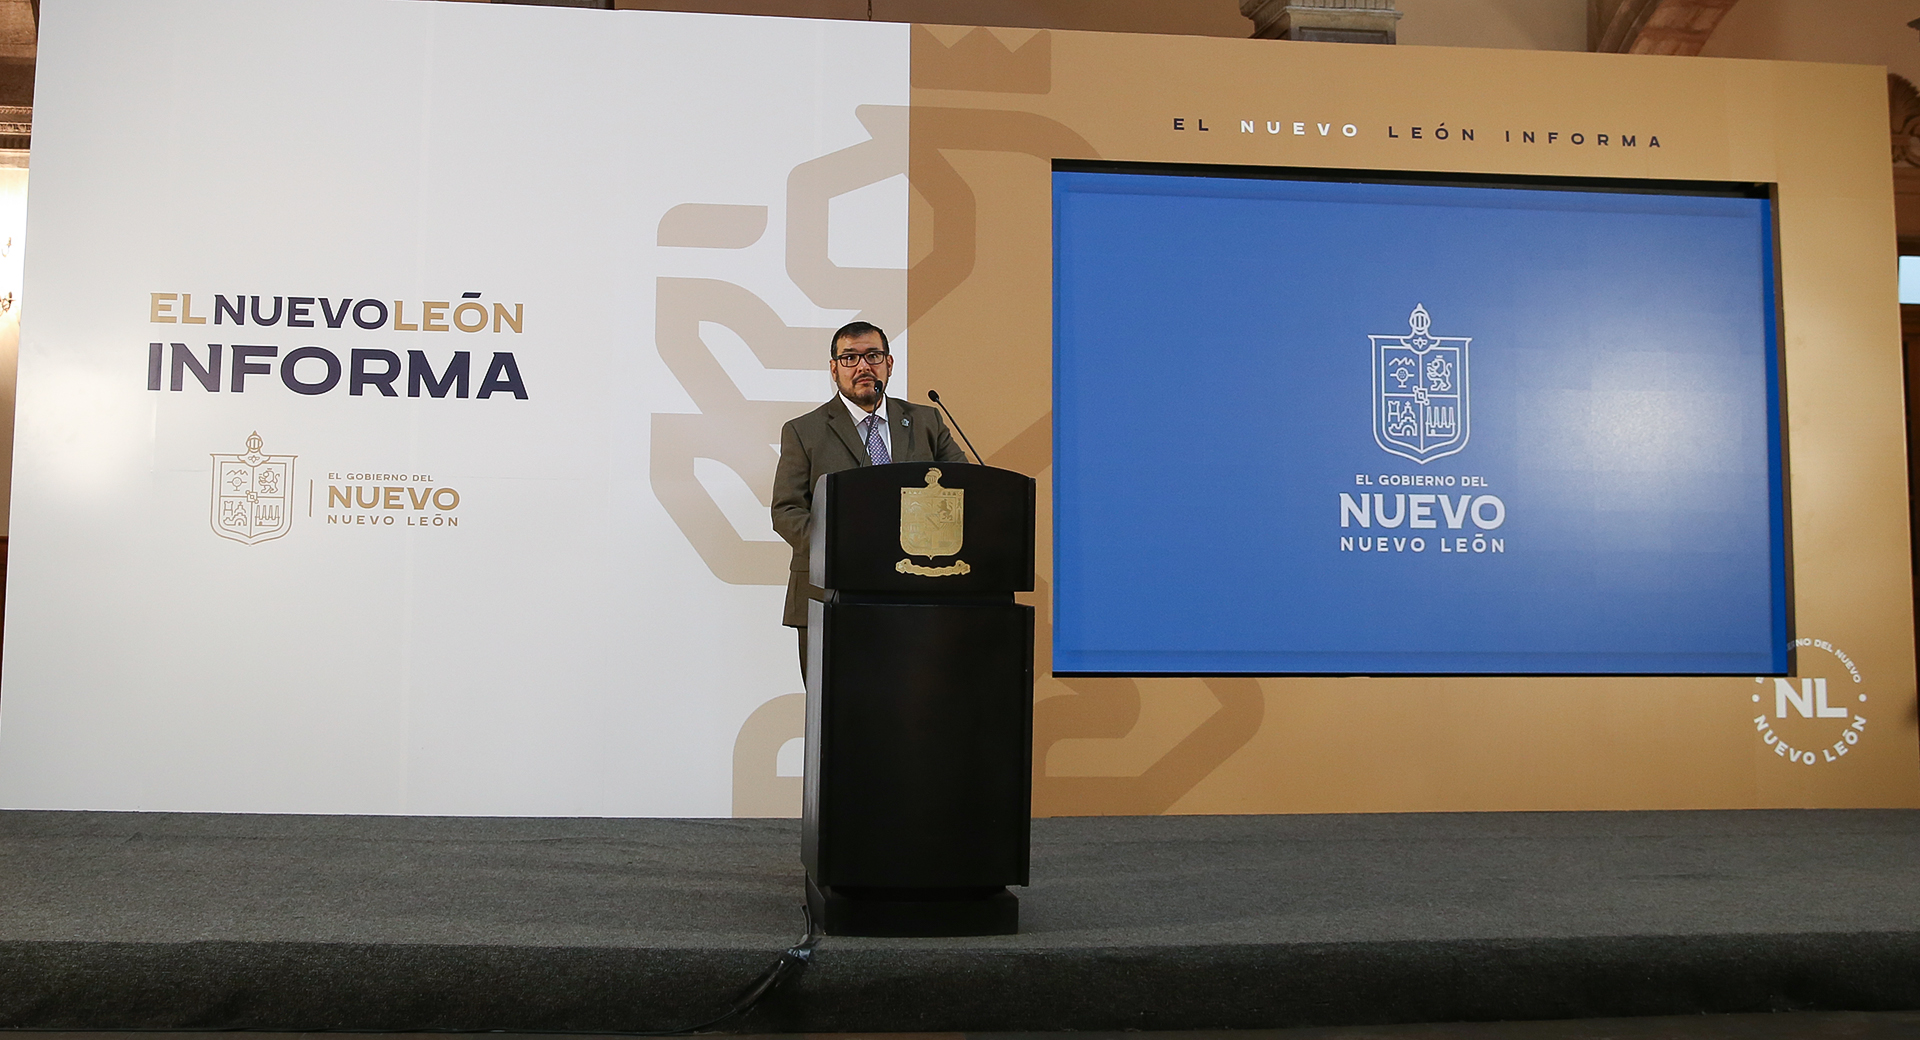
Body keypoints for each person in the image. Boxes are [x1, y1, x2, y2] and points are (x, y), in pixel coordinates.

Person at [772, 321, 968, 678]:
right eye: (850, 357)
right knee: (835, 704)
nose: (863, 366)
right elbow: (787, 510)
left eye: (873, 356)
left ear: (889, 364)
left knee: (913, 700)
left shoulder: (926, 421)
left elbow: (965, 488)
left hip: (916, 593)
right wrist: (839, 549)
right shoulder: (804, 431)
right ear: (834, 369)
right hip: (830, 594)